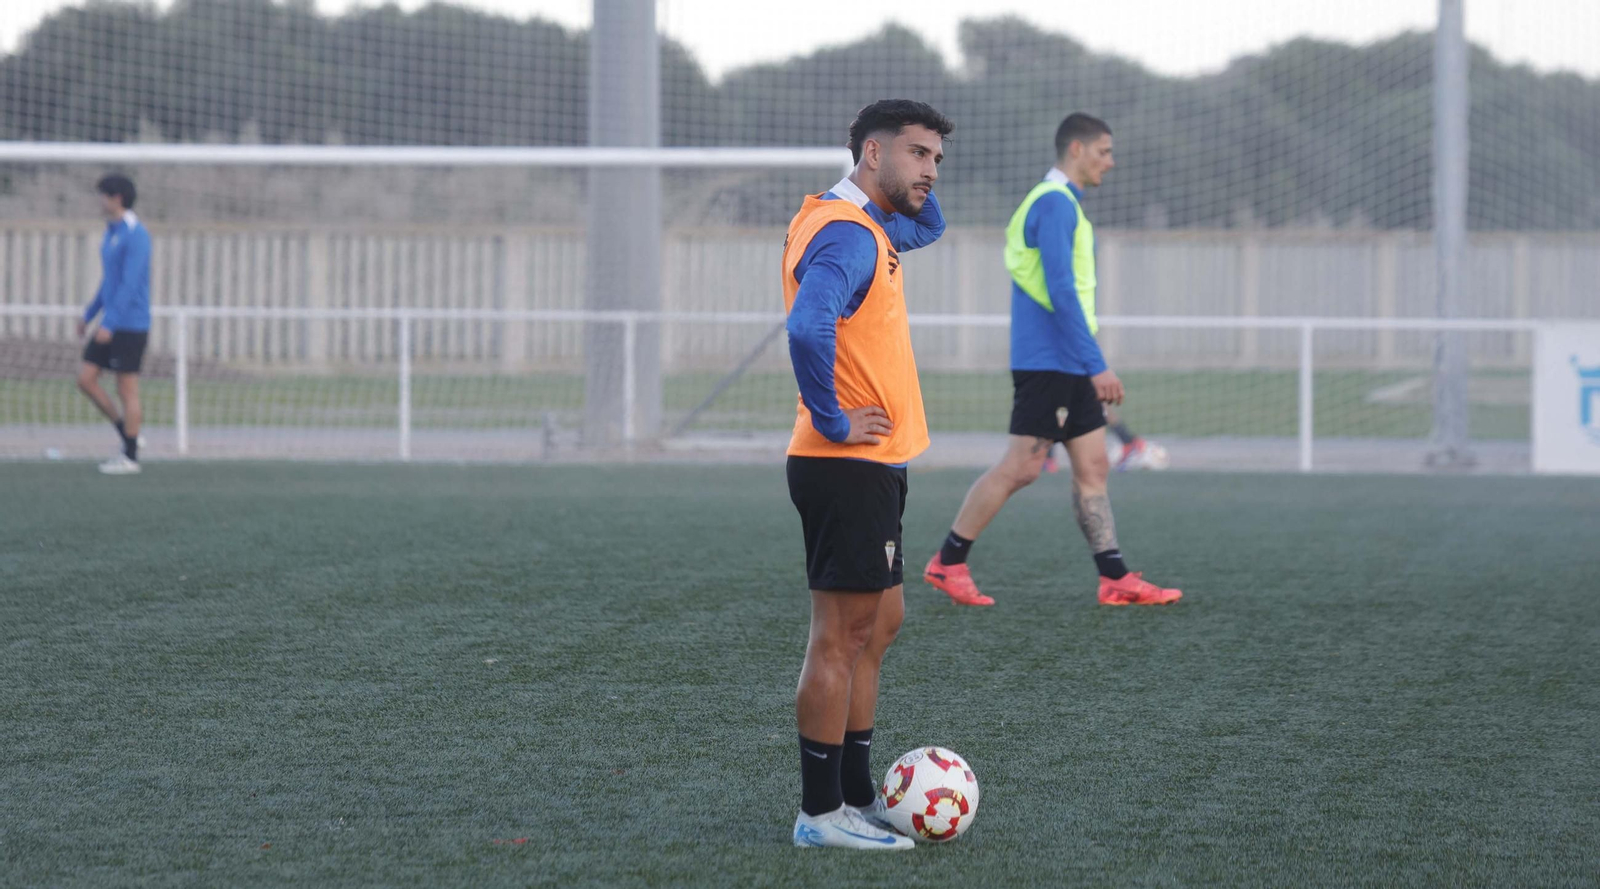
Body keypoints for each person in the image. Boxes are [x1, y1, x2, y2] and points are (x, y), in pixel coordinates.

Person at [922, 113, 1180, 608]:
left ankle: (1115, 578)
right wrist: (1095, 363)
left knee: (1094, 465)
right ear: (1078, 150)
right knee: (1022, 466)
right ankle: (948, 562)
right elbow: (1061, 289)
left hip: (1069, 361)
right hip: (1052, 362)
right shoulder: (1056, 205)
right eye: (1104, 150)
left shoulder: (1064, 206)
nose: (1111, 160)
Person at [784, 99, 952, 850]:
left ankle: (856, 795)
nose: (930, 170)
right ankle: (820, 815)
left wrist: (903, 186)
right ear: (872, 152)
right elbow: (805, 325)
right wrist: (831, 415)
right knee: (840, 636)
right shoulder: (849, 233)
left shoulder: (864, 222)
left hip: (876, 466)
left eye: (938, 160)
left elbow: (931, 225)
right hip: (844, 463)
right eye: (917, 154)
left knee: (879, 624)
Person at [77, 174, 151, 475]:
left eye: (103, 195)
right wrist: (89, 314)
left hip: (130, 324)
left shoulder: (136, 234)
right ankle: (127, 433)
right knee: (85, 379)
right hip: (111, 321)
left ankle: (130, 457)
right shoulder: (112, 232)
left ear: (117, 197)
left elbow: (131, 284)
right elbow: (110, 282)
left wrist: (111, 321)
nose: (100, 201)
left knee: (127, 389)